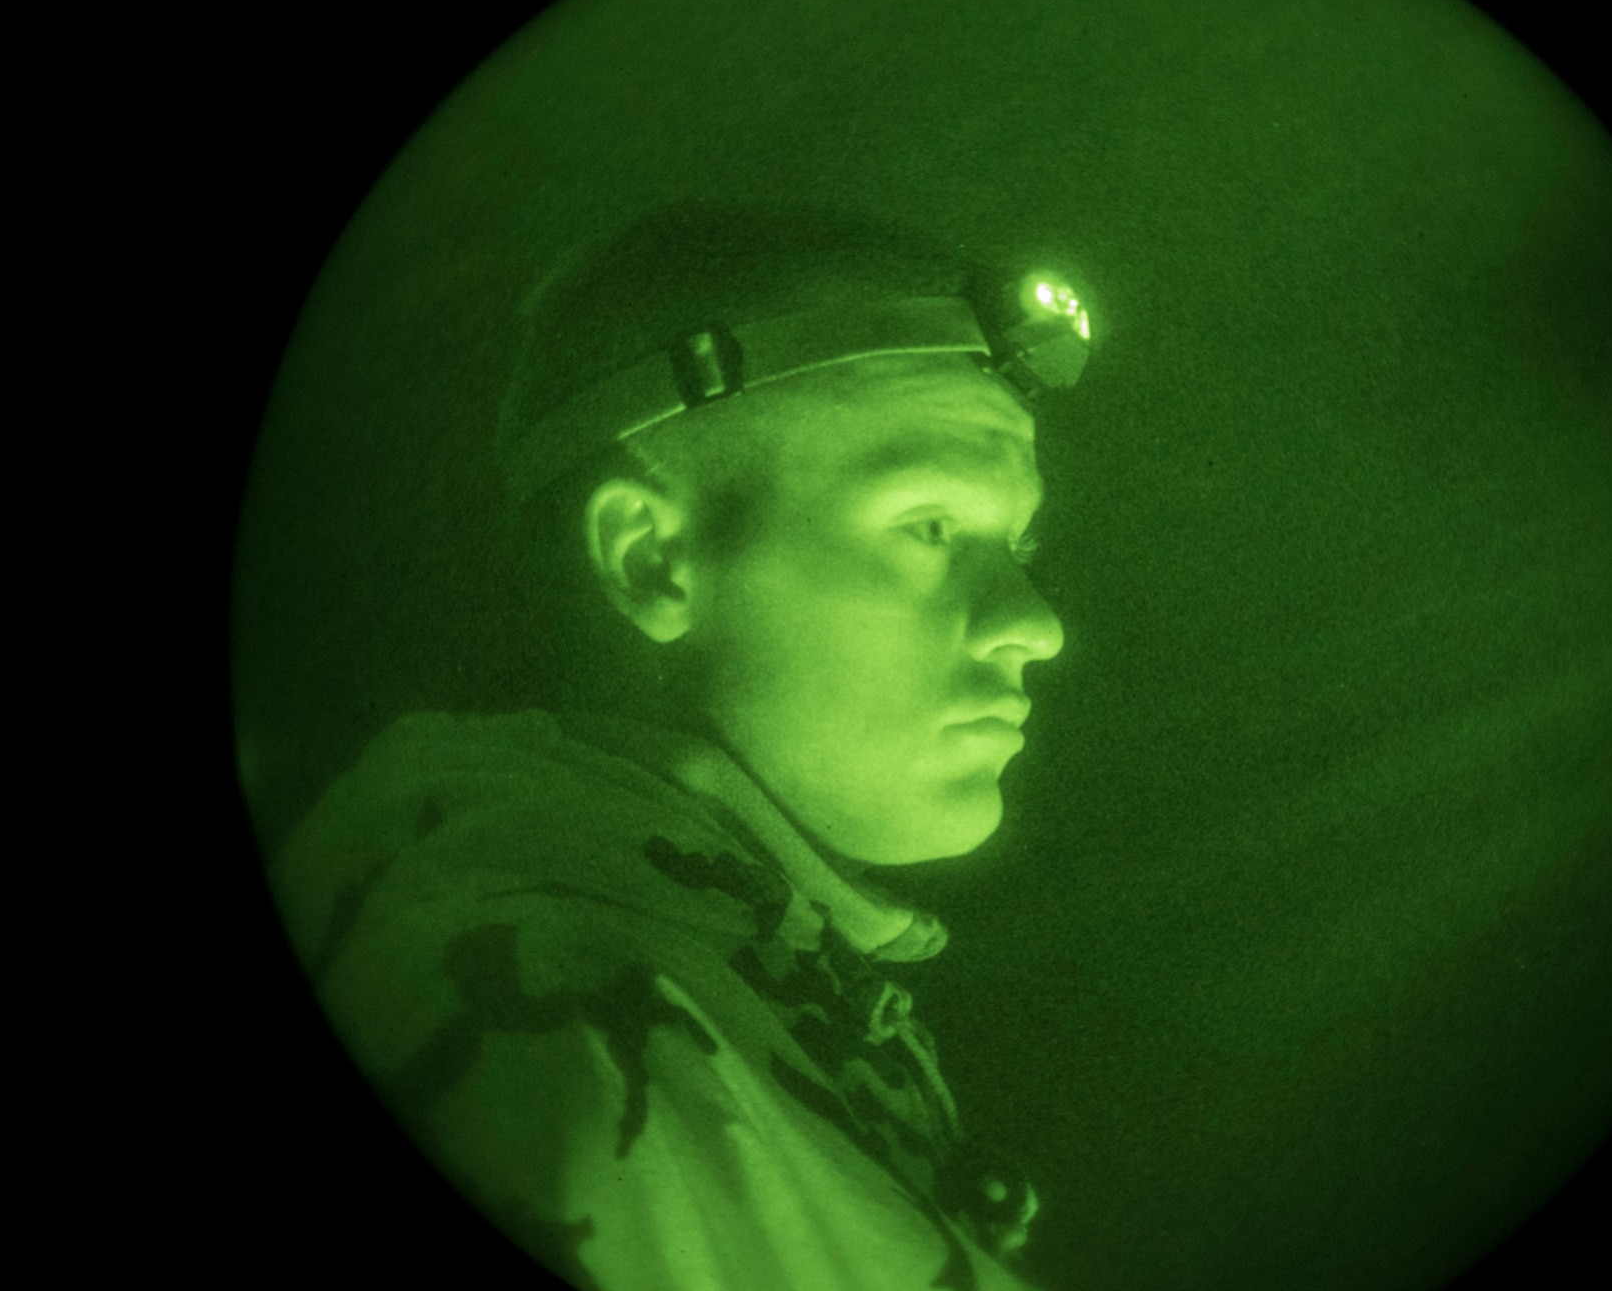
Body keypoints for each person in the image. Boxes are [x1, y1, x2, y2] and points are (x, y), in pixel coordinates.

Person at [265, 203, 1090, 1290]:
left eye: (1015, 543)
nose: (1034, 623)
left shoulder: (727, 1007)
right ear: (650, 558)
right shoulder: (568, 1063)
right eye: (930, 527)